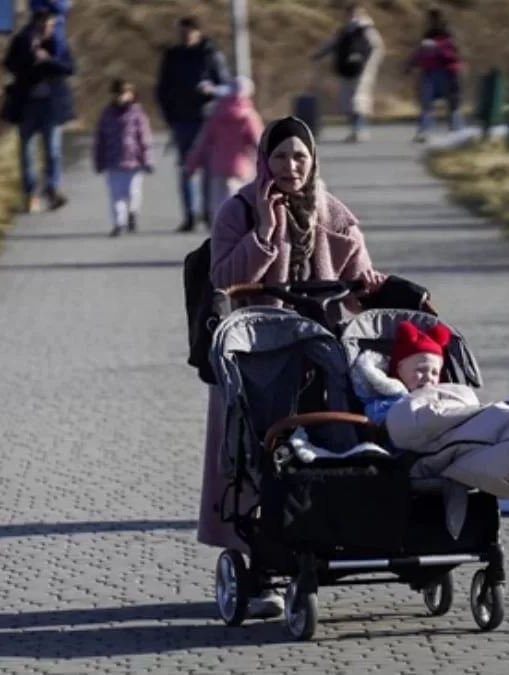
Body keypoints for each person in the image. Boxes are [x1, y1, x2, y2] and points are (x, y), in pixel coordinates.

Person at [199, 116, 387, 618]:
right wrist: (265, 230)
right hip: (260, 357)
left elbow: (356, 288)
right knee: (263, 458)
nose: (290, 166)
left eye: (299, 156)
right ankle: (263, 570)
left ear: (313, 160)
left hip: (321, 355)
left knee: (326, 452)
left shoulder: (332, 211)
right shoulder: (237, 211)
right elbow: (223, 279)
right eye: (279, 156)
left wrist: (368, 283)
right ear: (264, 161)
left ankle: (322, 542)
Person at [156, 15, 232, 233]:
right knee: (185, 168)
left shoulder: (210, 55)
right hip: (182, 120)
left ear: (197, 33)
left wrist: (213, 90)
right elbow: (163, 88)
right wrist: (169, 115)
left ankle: (209, 213)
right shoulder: (172, 56)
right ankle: (189, 215)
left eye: (188, 33)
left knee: (209, 170)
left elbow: (227, 87)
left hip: (208, 120)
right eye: (181, 33)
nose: (184, 37)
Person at [2, 7, 77, 214]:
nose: (47, 29)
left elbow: (69, 68)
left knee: (52, 150)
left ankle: (52, 190)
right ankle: (30, 193)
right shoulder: (21, 42)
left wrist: (48, 60)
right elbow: (9, 64)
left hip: (51, 106)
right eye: (44, 25)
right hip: (27, 105)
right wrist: (29, 58)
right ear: (35, 24)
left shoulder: (59, 44)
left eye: (51, 25)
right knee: (26, 152)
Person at [184, 76, 263, 224]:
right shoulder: (249, 117)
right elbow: (259, 143)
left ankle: (221, 234)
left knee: (219, 205)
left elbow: (202, 143)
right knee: (241, 204)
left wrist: (191, 165)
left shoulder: (216, 116)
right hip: (243, 167)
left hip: (218, 167)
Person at [310, 2, 384, 143]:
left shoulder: (367, 30)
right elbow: (332, 44)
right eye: (350, 13)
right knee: (348, 101)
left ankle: (359, 129)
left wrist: (369, 66)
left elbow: (377, 48)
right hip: (346, 69)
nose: (351, 16)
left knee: (358, 100)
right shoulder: (345, 31)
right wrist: (318, 54)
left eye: (355, 13)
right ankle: (354, 130)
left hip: (362, 71)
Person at [351, 320, 450, 424]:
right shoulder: (390, 399)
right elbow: (377, 418)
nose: (429, 377)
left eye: (435, 373)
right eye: (420, 370)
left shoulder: (443, 396)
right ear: (399, 369)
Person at [93, 78, 154, 237]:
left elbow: (144, 139)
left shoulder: (137, 114)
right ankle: (119, 223)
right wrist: (99, 161)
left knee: (133, 192)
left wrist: (147, 160)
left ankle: (133, 213)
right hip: (113, 162)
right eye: (117, 94)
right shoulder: (106, 115)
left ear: (131, 94)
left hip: (133, 162)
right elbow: (100, 139)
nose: (120, 97)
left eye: (124, 94)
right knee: (116, 196)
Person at [403, 8, 464, 142]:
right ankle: (423, 131)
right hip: (429, 72)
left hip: (447, 72)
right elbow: (420, 52)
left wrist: (437, 47)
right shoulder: (428, 36)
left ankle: (456, 131)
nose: (430, 22)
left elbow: (455, 53)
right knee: (425, 104)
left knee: (452, 103)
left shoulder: (449, 35)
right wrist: (409, 64)